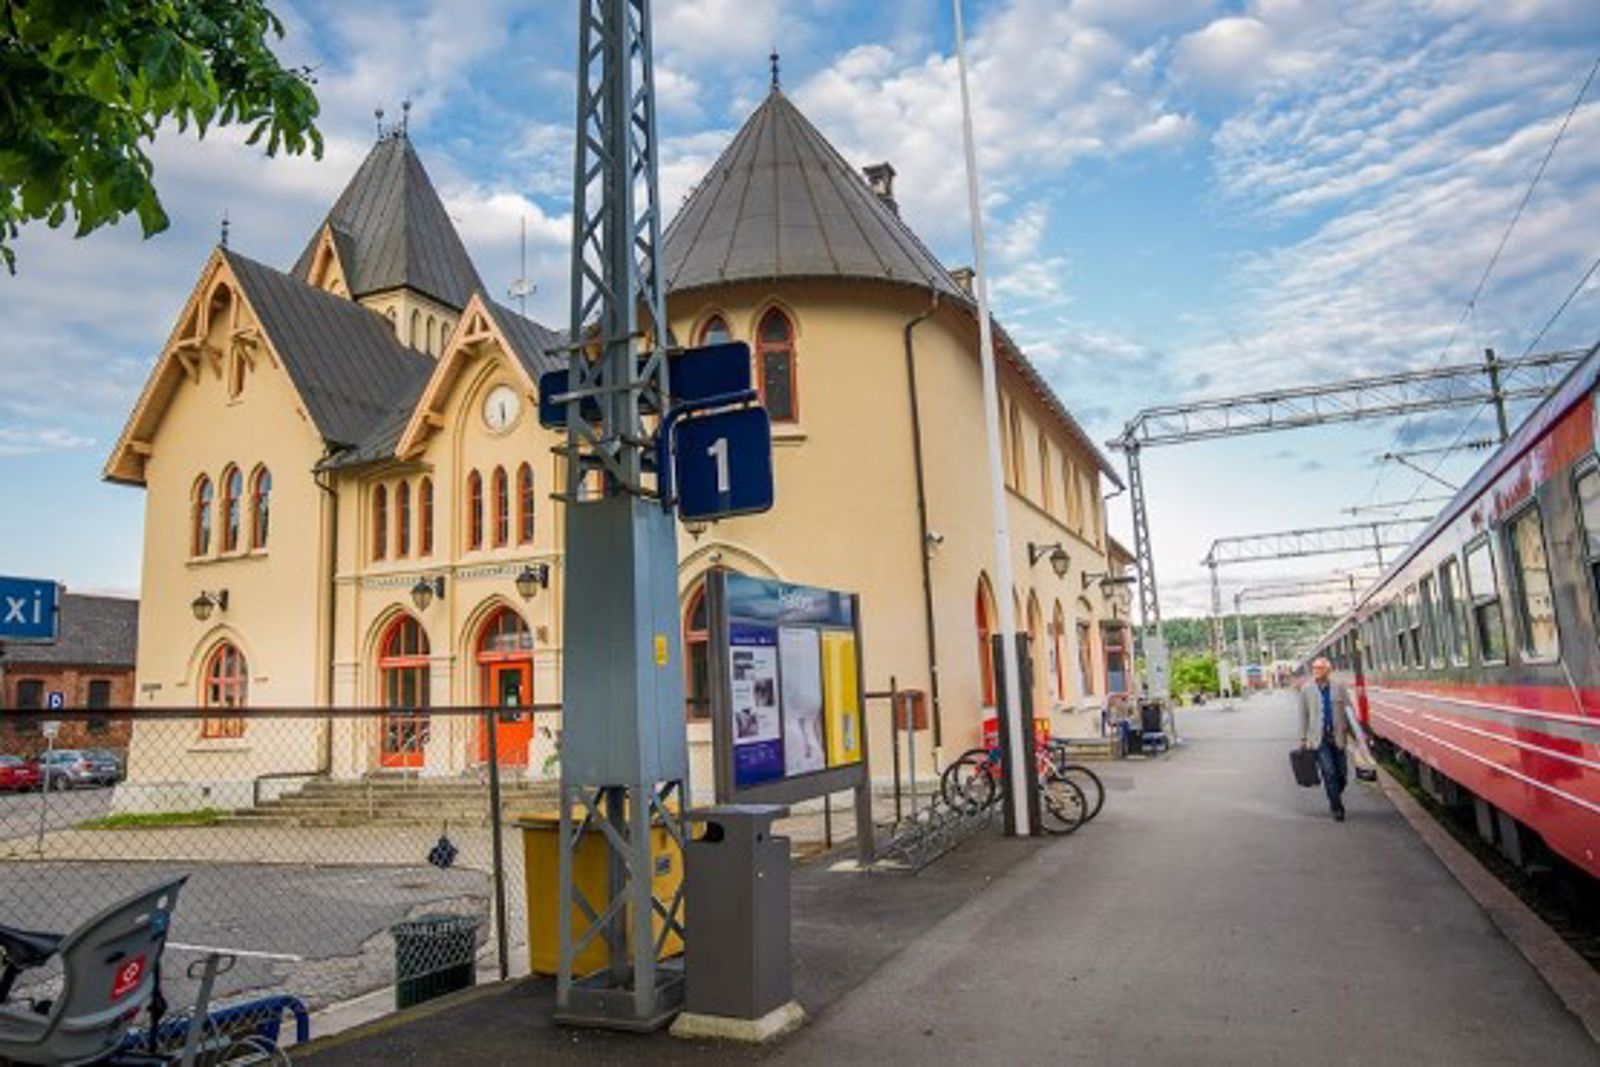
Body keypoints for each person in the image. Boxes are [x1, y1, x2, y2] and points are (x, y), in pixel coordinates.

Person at [1299, 657, 1356, 821]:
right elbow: (1303, 715)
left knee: (1342, 775)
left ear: (1328, 670)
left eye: (1320, 668)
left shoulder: (1339, 687)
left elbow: (1348, 710)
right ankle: (1337, 807)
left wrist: (1357, 735)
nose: (1317, 671)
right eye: (1315, 668)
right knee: (1329, 772)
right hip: (1319, 738)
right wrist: (1303, 737)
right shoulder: (1306, 689)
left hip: (1338, 737)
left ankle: (1334, 794)